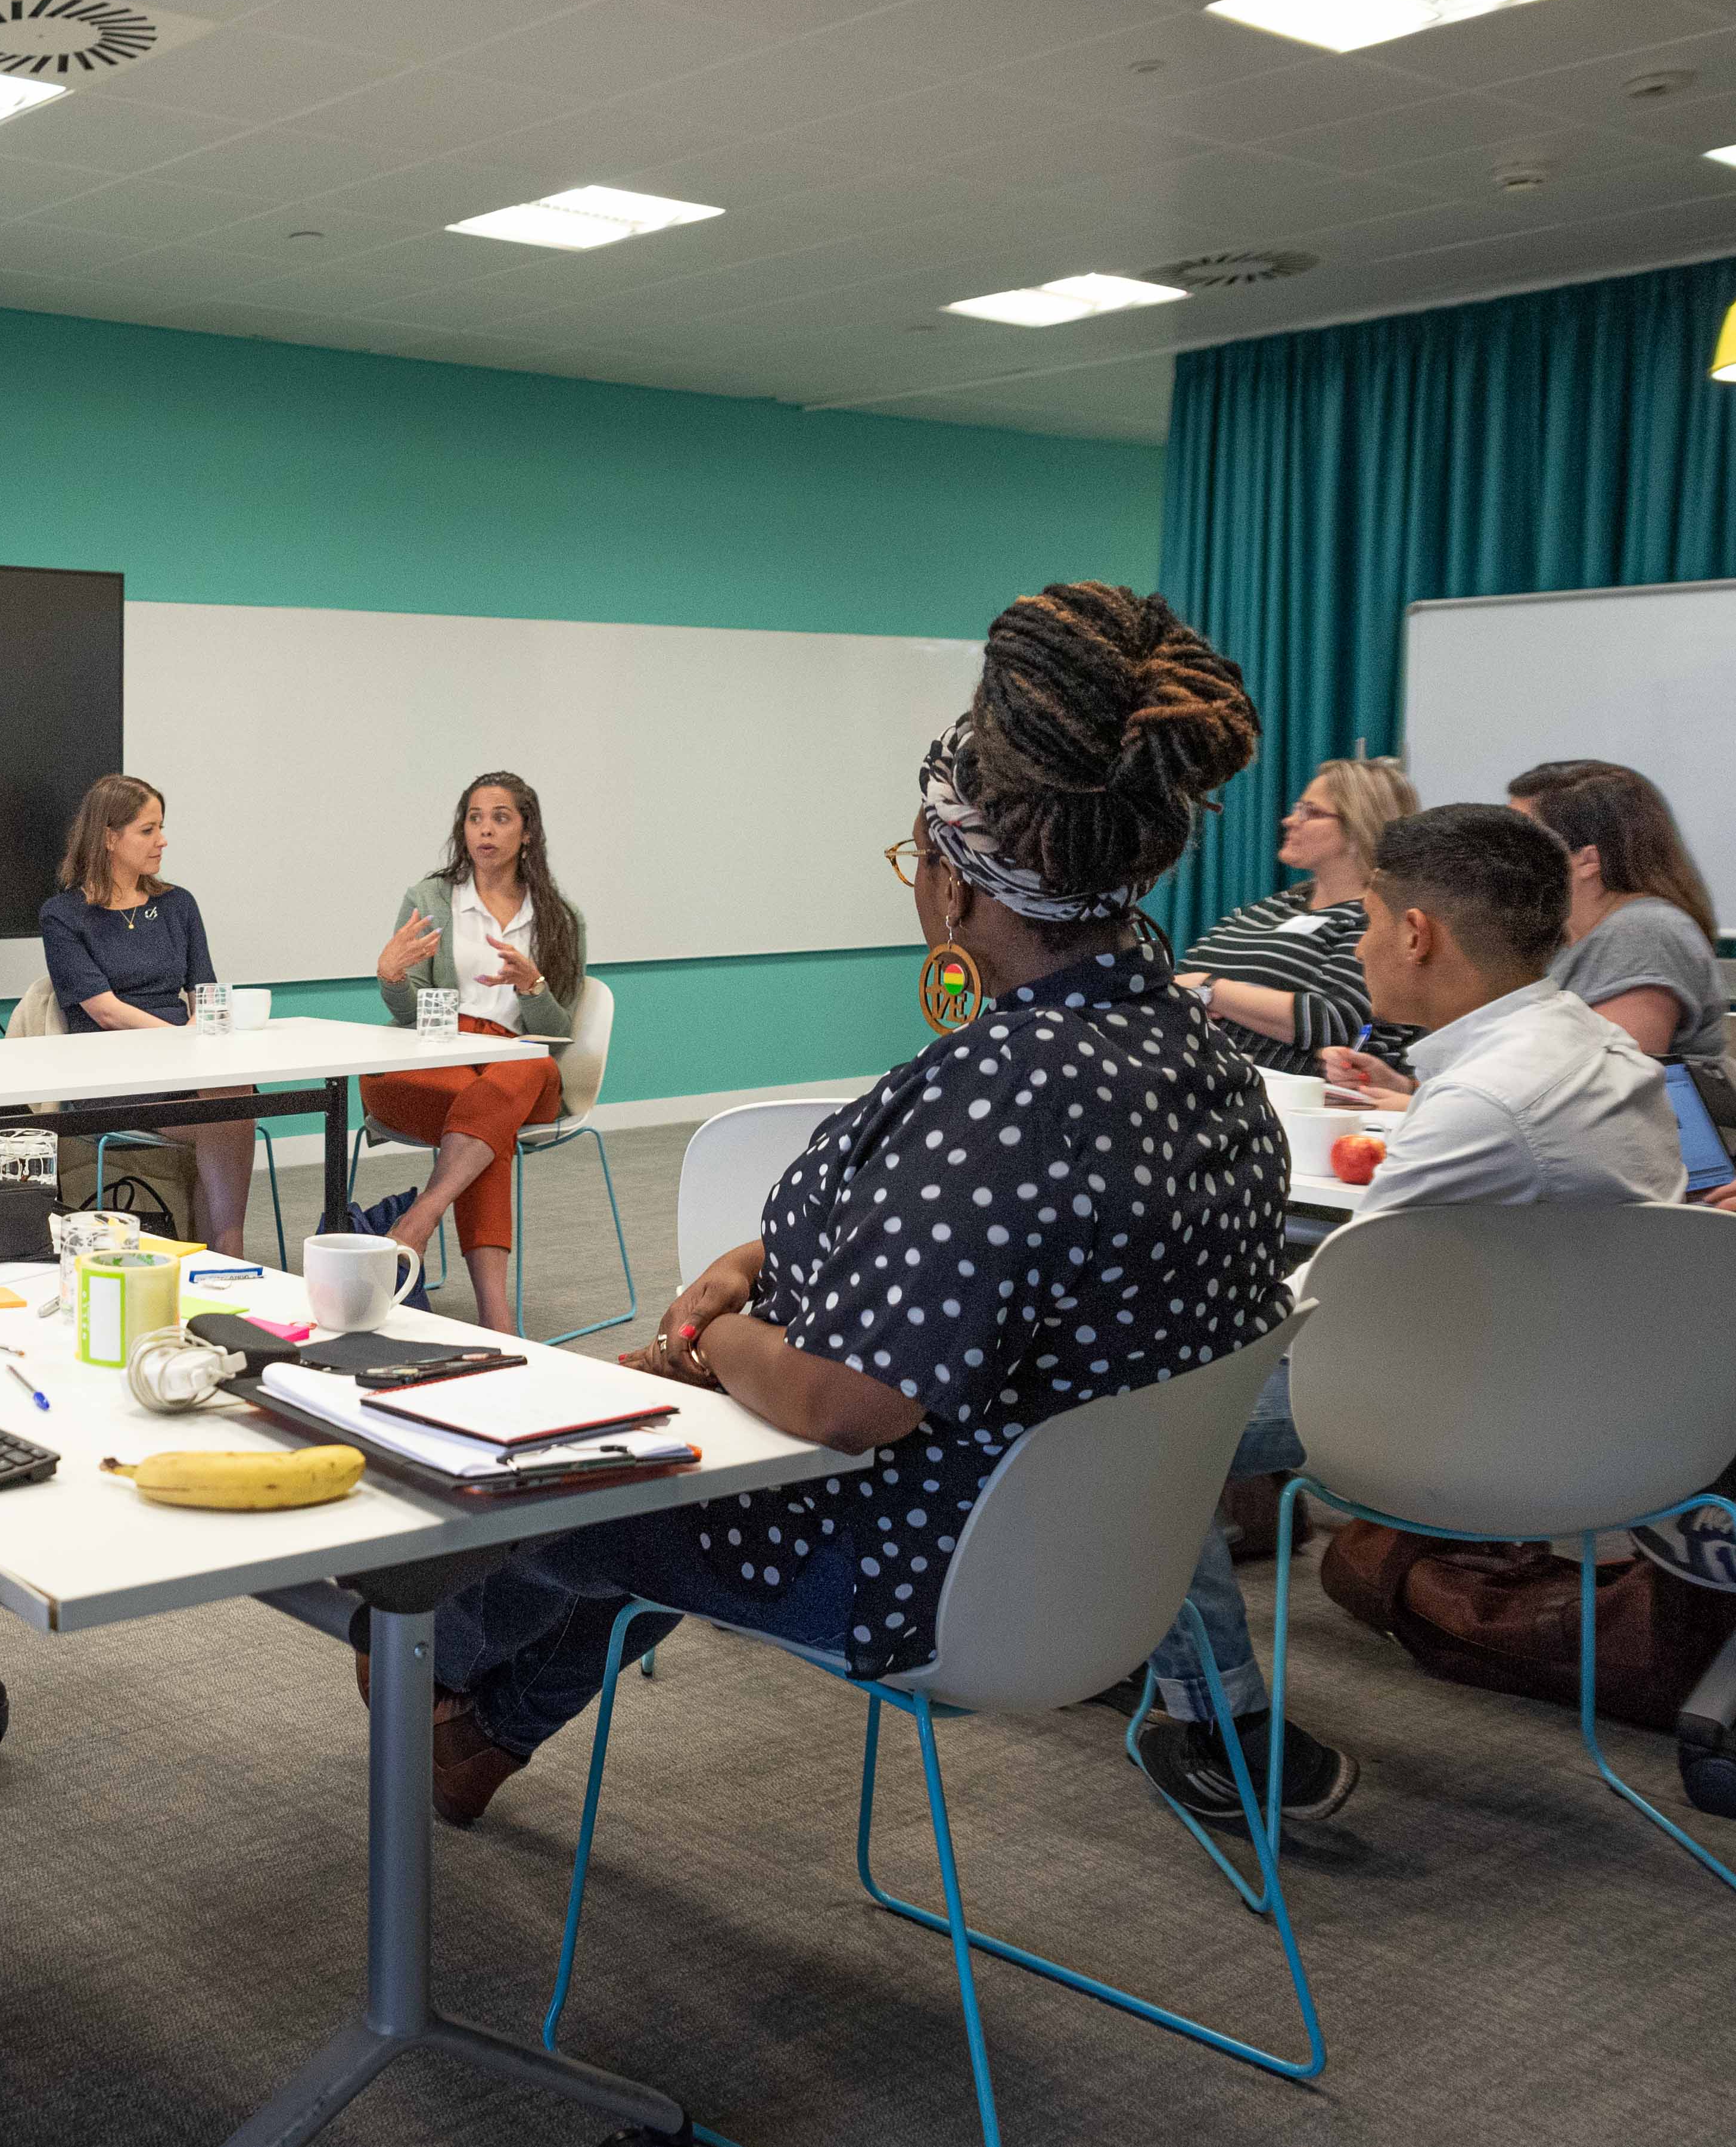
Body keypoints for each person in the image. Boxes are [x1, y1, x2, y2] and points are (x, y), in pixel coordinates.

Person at [394, 583, 1283, 1826]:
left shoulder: (1006, 1090)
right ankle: (475, 1733)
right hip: (1097, 1564)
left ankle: (418, 1679)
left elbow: (844, 1404)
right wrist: (766, 1264)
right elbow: (1001, 1253)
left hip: (922, 1562)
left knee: (564, 1493)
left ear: (959, 891)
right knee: (619, 1470)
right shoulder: (1197, 1056)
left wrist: (710, 1341)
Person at [1137, 804, 1685, 1823]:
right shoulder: (1593, 1052)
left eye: (1370, 924)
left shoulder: (1485, 1101)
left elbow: (1331, 1316)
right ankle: (1154, 1624)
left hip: (1484, 1425)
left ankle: (1224, 1731)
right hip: (1617, 1412)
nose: (1366, 945)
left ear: (1417, 933)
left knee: (1130, 1425)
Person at [353, 771, 588, 1324]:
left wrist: (532, 986)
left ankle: (418, 1220)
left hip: (518, 1062)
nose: (485, 830)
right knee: (488, 1130)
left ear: (527, 832)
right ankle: (496, 1315)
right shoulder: (430, 898)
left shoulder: (559, 918)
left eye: (501, 817)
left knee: (521, 1072)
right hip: (434, 1058)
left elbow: (556, 1034)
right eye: (474, 818)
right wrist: (390, 978)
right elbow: (408, 1011)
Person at [37, 774, 253, 1261]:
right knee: (228, 1106)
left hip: (184, 1066)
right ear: (109, 837)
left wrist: (210, 1037)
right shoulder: (63, 915)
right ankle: (225, 1250)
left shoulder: (177, 904)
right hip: (110, 1073)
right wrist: (186, 1040)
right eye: (148, 830)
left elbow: (205, 992)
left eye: (161, 827)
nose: (163, 840)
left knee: (230, 1094)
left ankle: (221, 1247)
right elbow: (104, 1010)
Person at [1170, 757, 1420, 1077]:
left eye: (1311, 812)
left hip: (1291, 1101)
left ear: (1361, 825)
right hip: (1193, 1076)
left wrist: (1212, 990)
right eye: (1297, 808)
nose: (1290, 820)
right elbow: (1177, 985)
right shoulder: (1273, 906)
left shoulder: (1379, 916)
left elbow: (1336, 1020)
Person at [1510, 760, 1726, 1072]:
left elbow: (1607, 1083)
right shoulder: (1563, 935)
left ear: (1588, 860)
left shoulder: (1644, 932)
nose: (1499, 853)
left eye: (1520, 840)